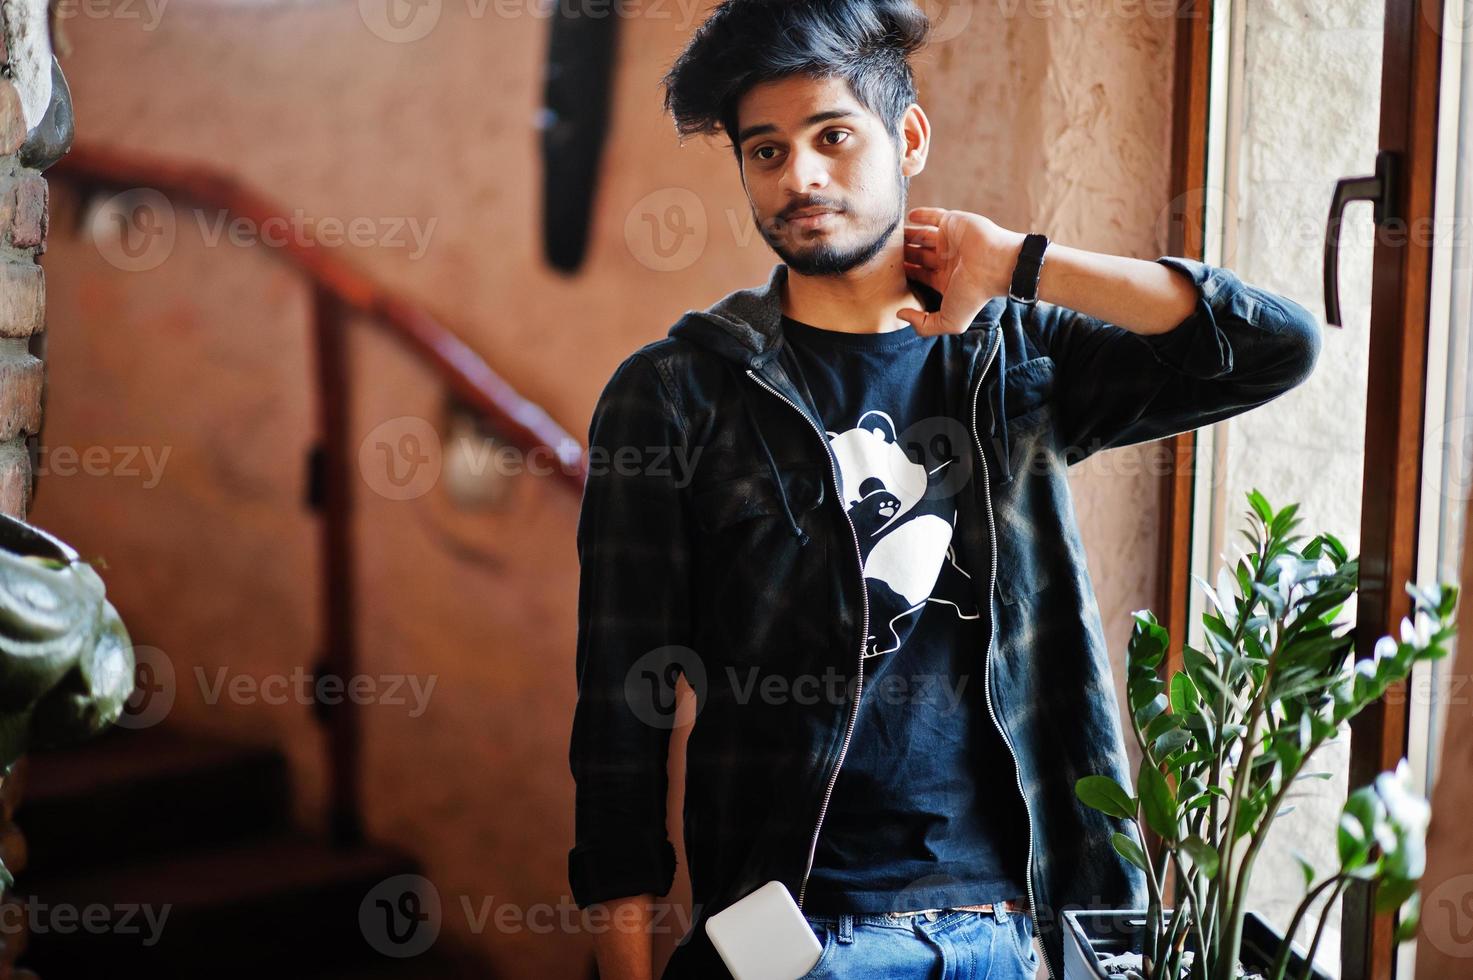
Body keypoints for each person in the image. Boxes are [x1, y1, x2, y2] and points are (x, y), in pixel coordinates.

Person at [567, 2, 1323, 978]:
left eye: (832, 135)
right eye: (765, 150)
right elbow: (620, 717)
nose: (798, 175)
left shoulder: (1013, 363)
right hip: (789, 939)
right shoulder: (676, 395)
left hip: (1009, 931)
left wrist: (1018, 264)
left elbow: (1273, 346)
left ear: (908, 136)